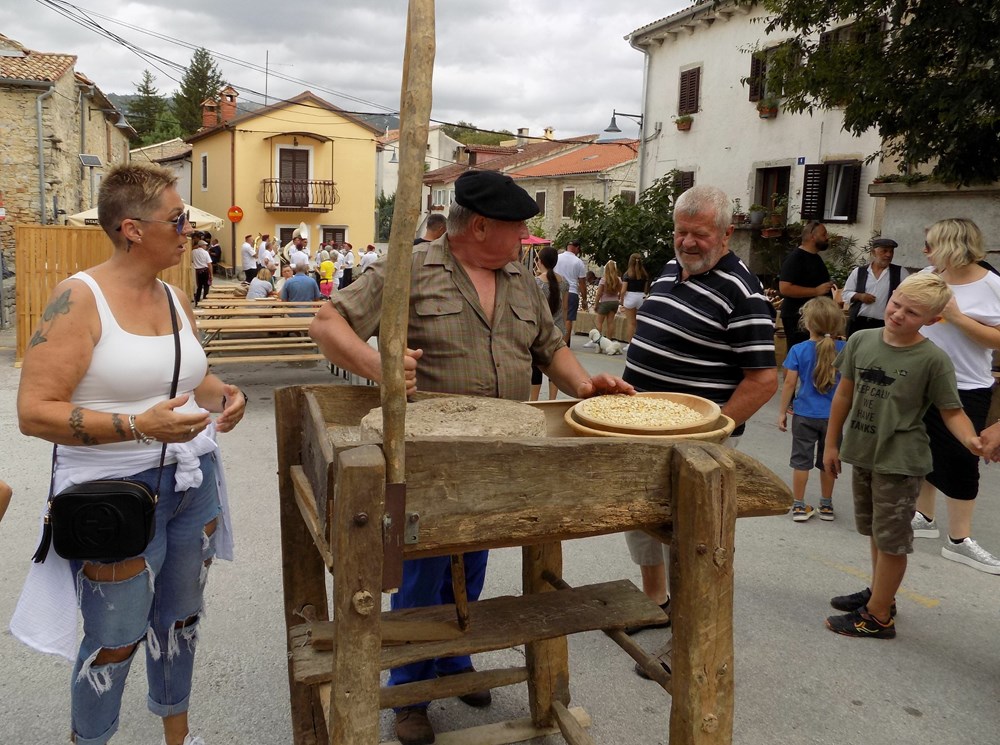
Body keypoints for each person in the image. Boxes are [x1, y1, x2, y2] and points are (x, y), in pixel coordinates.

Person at [310, 169, 631, 745]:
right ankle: (410, 691)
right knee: (420, 575)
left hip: (499, 461)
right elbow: (327, 322)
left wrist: (585, 387)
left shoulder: (521, 277)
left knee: (473, 564)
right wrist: (378, 366)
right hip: (427, 464)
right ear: (480, 226)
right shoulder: (408, 269)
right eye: (518, 228)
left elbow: (550, 347)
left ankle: (454, 659)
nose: (525, 238)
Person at [11, 163, 247, 745]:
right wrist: (139, 426)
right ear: (132, 229)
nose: (189, 231)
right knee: (114, 639)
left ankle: (178, 738)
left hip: (192, 483)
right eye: (178, 219)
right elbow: (34, 412)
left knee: (181, 622)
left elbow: (190, 377)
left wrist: (225, 394)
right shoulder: (79, 298)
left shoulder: (175, 296)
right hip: (113, 498)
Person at [622, 185, 777, 659]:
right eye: (681, 232)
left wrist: (714, 431)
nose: (687, 242)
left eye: (700, 234)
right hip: (644, 427)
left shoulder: (743, 293)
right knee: (639, 520)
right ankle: (656, 601)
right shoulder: (672, 268)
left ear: (726, 234)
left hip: (698, 442)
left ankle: (690, 639)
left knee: (692, 538)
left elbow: (763, 380)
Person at [823, 272, 981, 638]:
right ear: (891, 296)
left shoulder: (933, 359)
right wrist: (831, 444)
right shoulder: (861, 340)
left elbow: (951, 411)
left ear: (933, 319)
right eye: (896, 304)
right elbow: (844, 394)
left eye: (912, 313)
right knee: (876, 532)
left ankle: (878, 617)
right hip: (864, 451)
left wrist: (971, 440)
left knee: (892, 541)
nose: (898, 314)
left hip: (901, 460)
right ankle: (881, 594)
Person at [910, 218, 1000, 573]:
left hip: (967, 384)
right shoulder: (927, 277)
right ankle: (923, 516)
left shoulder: (992, 285)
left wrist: (957, 317)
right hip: (919, 380)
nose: (924, 251)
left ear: (952, 246)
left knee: (963, 457)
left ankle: (959, 540)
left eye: (931, 245)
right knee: (920, 449)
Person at [776, 297, 846, 521]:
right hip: (833, 418)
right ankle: (826, 505)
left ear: (807, 324)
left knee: (801, 461)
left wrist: (782, 411)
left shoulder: (798, 349)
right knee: (829, 460)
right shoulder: (844, 349)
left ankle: (798, 505)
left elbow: (789, 383)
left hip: (804, 414)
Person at [779, 221, 835, 348]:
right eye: (824, 234)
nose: (827, 237)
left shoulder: (816, 258)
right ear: (812, 236)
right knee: (801, 353)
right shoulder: (795, 258)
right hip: (798, 318)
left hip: (815, 317)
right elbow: (785, 288)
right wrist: (816, 291)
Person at [841, 238, 908, 337]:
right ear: (873, 252)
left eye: (891, 251)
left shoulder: (900, 272)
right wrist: (860, 296)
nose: (888, 255)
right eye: (884, 251)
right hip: (858, 323)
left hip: (883, 324)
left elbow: (909, 295)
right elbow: (845, 294)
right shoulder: (859, 272)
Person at [529, 245, 569, 401]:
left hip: (540, 330)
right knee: (556, 367)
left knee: (536, 367)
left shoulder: (536, 282)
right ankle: (552, 400)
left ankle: (534, 401)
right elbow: (565, 308)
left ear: (540, 261)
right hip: (558, 329)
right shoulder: (563, 282)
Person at [554, 239, 588, 346]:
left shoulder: (557, 258)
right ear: (577, 248)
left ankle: (553, 340)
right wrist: (584, 299)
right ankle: (564, 343)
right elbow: (582, 282)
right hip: (572, 291)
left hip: (557, 289)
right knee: (568, 319)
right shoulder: (578, 262)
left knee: (555, 316)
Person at [589, 260, 622, 347]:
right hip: (615, 302)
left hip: (605, 302)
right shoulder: (618, 279)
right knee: (610, 322)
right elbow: (621, 291)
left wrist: (596, 304)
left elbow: (599, 293)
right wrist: (618, 299)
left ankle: (597, 341)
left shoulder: (604, 280)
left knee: (599, 322)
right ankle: (609, 341)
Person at [619, 252, 648, 344]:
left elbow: (623, 290)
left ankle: (630, 344)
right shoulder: (644, 274)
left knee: (631, 323)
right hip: (641, 297)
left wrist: (621, 300)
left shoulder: (627, 274)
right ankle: (639, 343)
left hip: (630, 297)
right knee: (639, 323)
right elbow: (645, 289)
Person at [191, 239, 213, 306]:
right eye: (205, 245)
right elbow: (209, 264)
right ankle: (205, 300)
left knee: (199, 287)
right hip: (205, 270)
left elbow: (192, 260)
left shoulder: (193, 252)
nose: (206, 246)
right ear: (202, 245)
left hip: (197, 271)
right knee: (206, 286)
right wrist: (211, 274)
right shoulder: (205, 252)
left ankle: (197, 301)